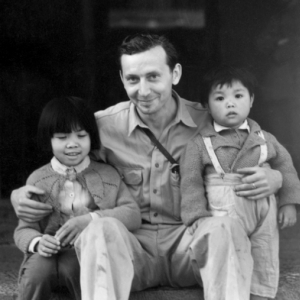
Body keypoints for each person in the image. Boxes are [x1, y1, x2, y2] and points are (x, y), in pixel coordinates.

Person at [11, 34, 283, 300]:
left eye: (153, 76)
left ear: (174, 74)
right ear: (122, 79)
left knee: (225, 228)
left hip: (191, 245)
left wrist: (275, 176)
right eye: (133, 79)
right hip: (130, 250)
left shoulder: (210, 120)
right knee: (98, 229)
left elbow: (257, 147)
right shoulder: (102, 127)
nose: (143, 90)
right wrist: (19, 194)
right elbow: (62, 161)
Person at [180, 65, 300, 300]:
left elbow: (285, 168)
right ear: (206, 104)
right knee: (232, 255)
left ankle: (260, 295)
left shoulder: (266, 138)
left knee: (264, 254)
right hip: (224, 211)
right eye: (220, 98)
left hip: (264, 211)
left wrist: (288, 202)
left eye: (238, 96)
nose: (230, 103)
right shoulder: (199, 145)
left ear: (251, 99)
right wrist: (196, 215)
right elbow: (191, 181)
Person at [13, 96, 141, 300]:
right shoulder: (38, 179)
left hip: (84, 253)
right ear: (49, 139)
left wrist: (91, 220)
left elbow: (132, 215)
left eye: (81, 136)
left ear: (92, 137)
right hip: (44, 254)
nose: (73, 144)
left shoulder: (107, 175)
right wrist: (37, 242)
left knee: (82, 273)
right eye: (62, 138)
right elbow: (23, 230)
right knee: (36, 275)